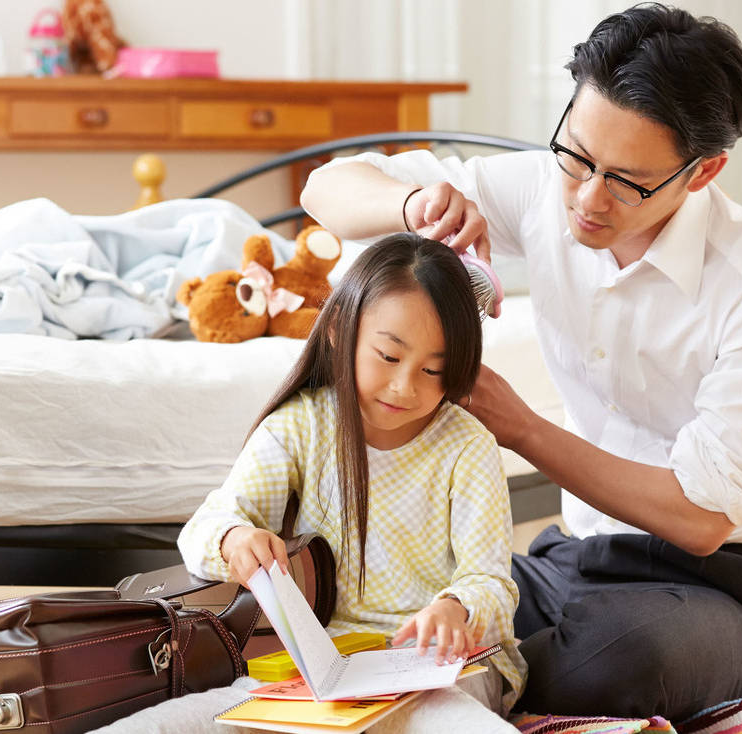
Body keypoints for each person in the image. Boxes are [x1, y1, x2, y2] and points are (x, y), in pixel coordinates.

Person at [299, 1, 742, 723]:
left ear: (703, 173)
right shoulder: (549, 189)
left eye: (628, 180)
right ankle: (458, 670)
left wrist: (524, 430)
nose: (587, 198)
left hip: (722, 588)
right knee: (384, 597)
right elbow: (325, 188)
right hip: (574, 560)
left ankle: (454, 676)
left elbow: (703, 519)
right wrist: (417, 204)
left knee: (625, 658)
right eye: (576, 156)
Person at [175, 234, 527, 729]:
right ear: (341, 329)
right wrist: (234, 538)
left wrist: (455, 610)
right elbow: (203, 529)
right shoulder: (301, 426)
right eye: (388, 356)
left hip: (442, 670)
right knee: (194, 721)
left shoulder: (466, 446)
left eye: (433, 370)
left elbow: (491, 582)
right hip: (318, 670)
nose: (406, 386)